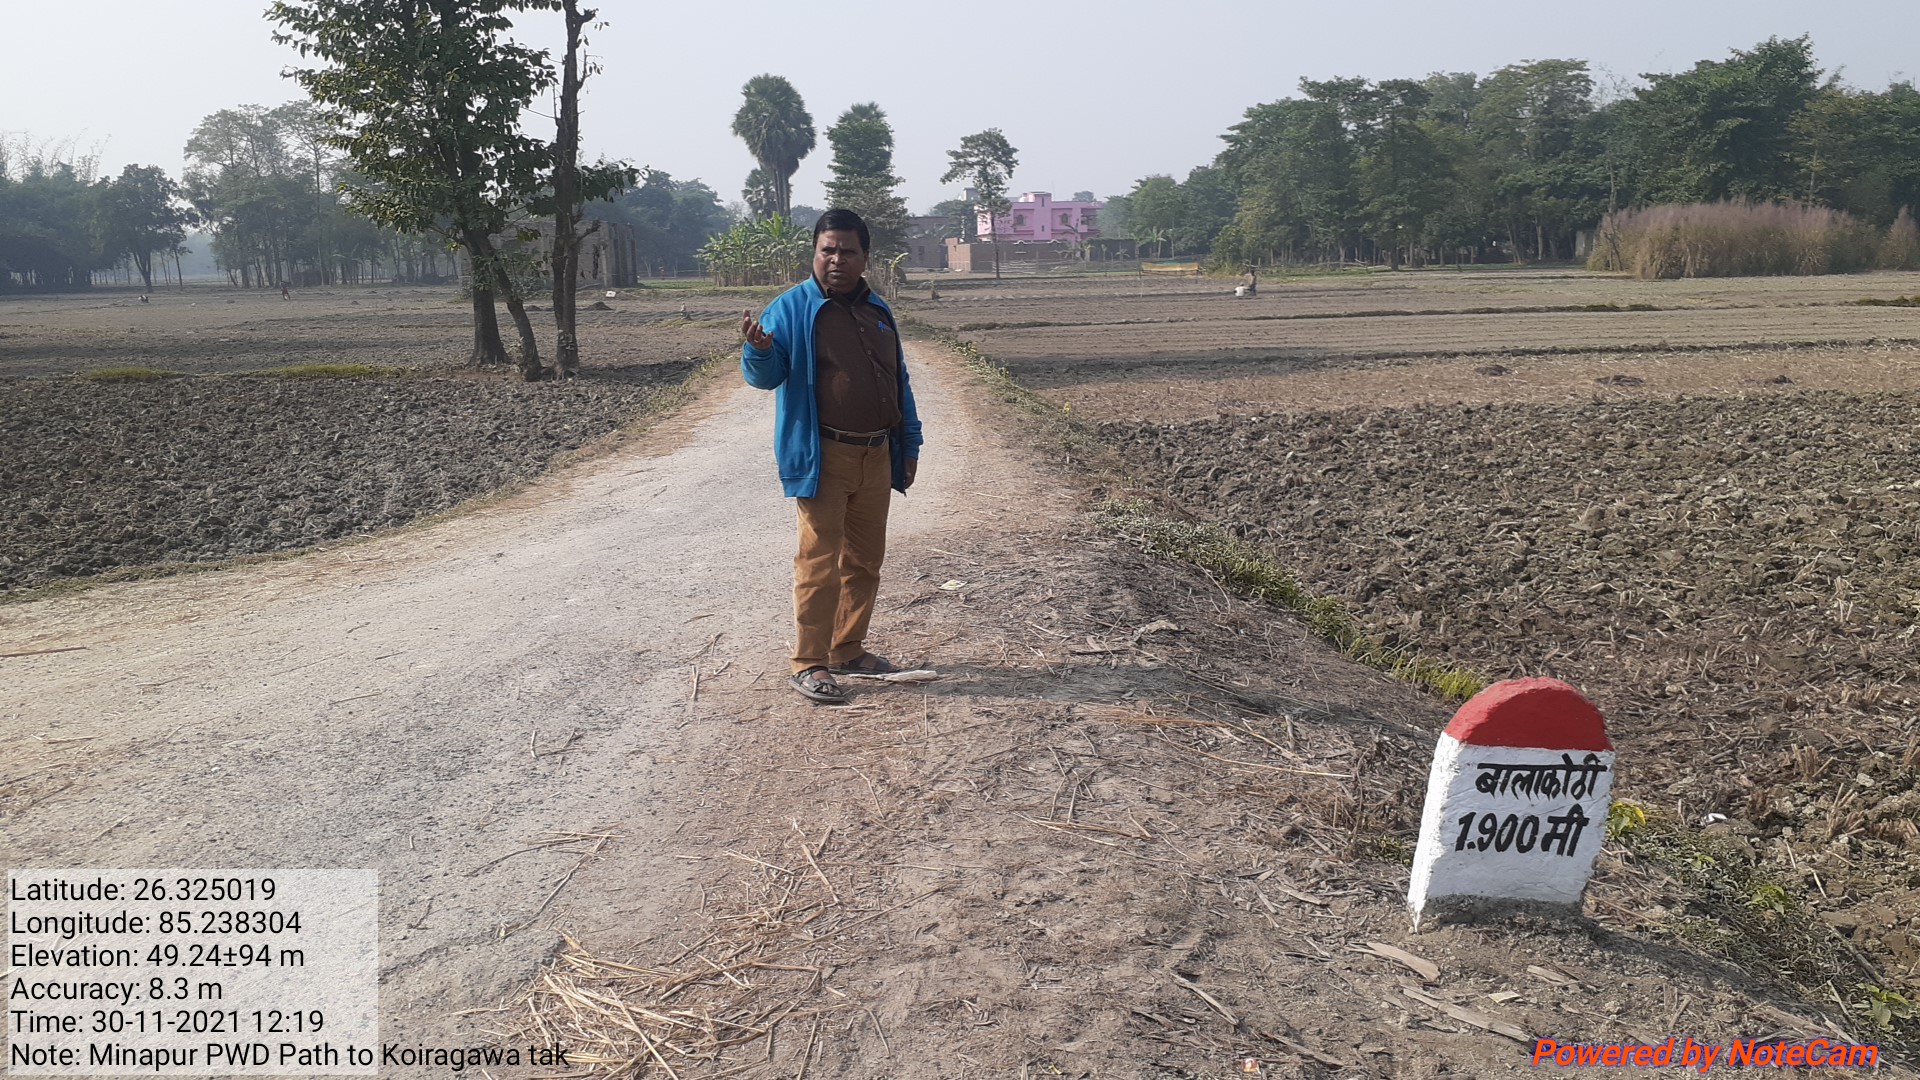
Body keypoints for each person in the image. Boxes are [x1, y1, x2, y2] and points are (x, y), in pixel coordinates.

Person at [740, 209, 923, 704]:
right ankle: (809, 662)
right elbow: (765, 377)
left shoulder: (877, 310)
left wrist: (909, 443)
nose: (837, 259)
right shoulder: (790, 308)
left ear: (865, 258)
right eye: (828, 250)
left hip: (877, 453)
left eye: (847, 251)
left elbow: (898, 380)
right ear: (815, 253)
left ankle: (847, 648)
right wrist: (759, 351)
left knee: (865, 561)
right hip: (826, 454)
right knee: (819, 561)